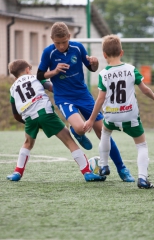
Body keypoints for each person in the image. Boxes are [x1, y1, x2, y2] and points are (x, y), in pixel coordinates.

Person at [37, 22, 135, 182]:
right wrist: (54, 72)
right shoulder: (48, 52)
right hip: (64, 98)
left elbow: (91, 68)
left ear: (69, 37)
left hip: (83, 95)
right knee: (80, 128)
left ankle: (122, 168)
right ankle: (77, 133)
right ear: (52, 39)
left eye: (64, 41)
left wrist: (94, 63)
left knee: (103, 132)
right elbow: (39, 75)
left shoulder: (78, 48)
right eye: (57, 43)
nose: (61, 46)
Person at [83, 34, 154, 189]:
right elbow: (144, 89)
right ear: (122, 52)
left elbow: (100, 99)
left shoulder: (103, 74)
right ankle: (142, 179)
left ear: (104, 55)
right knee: (141, 145)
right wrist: (153, 96)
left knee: (105, 133)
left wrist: (92, 120)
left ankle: (104, 165)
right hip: (130, 115)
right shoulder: (131, 69)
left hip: (111, 115)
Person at [6, 59, 106, 182]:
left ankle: (17, 172)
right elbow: (52, 88)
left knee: (27, 143)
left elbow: (15, 114)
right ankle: (87, 172)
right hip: (45, 113)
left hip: (29, 117)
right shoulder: (35, 78)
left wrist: (29, 122)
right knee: (69, 140)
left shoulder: (13, 89)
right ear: (27, 69)